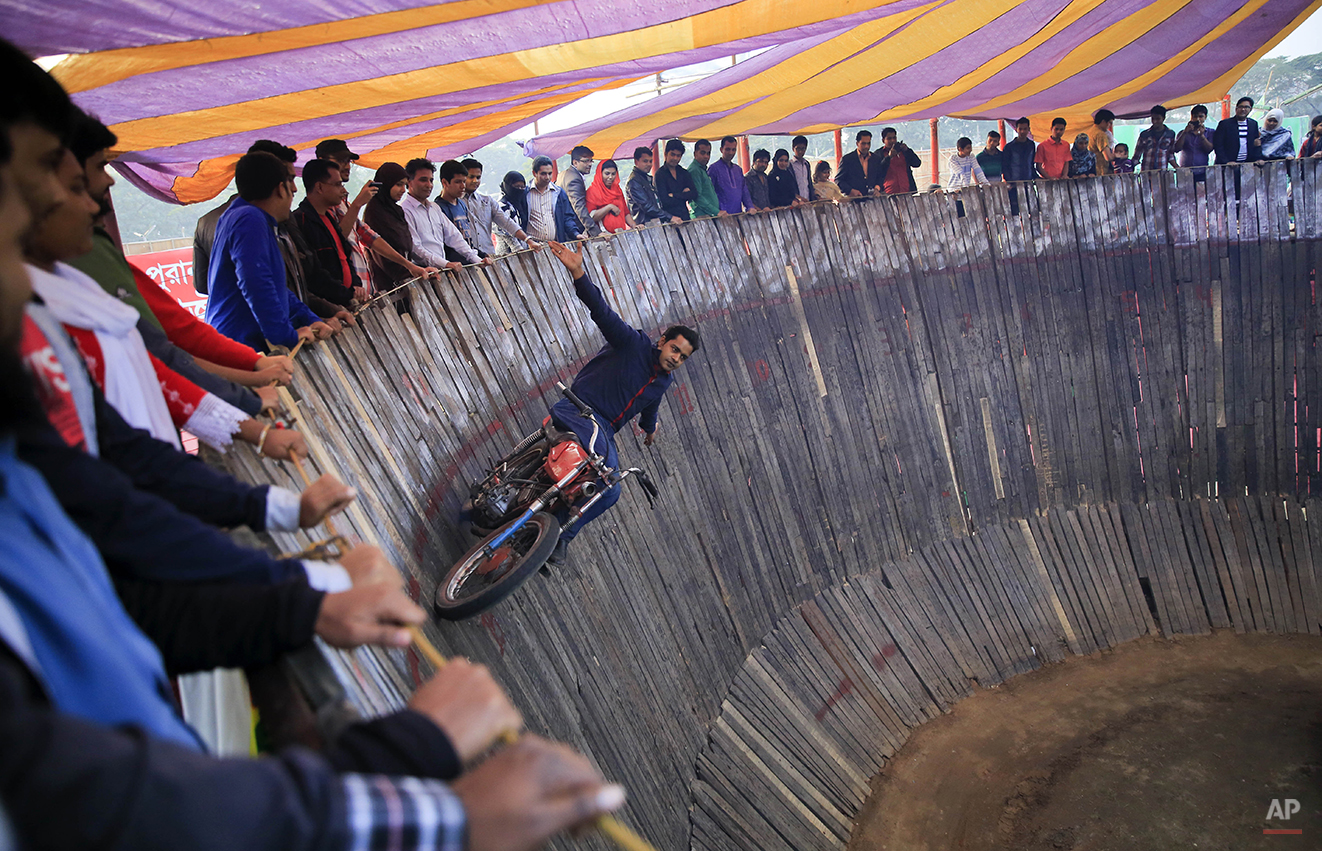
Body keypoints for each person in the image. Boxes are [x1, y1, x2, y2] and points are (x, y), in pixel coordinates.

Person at [542, 239, 699, 567]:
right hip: (580, 408)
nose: (676, 358)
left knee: (610, 491)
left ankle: (555, 537)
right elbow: (601, 311)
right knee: (606, 473)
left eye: (682, 358)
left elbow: (650, 404)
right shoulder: (633, 344)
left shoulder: (663, 381)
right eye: (674, 350)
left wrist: (649, 428)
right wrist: (578, 273)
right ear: (662, 343)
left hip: (600, 431)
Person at [205, 152, 331, 351]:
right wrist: (285, 335)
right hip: (239, 346)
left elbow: (274, 286)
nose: (295, 189)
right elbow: (255, 281)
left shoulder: (244, 216)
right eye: (290, 182)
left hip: (238, 342)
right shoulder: (250, 218)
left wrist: (309, 318)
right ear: (281, 189)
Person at [291, 158, 361, 308]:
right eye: (337, 184)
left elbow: (345, 255)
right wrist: (346, 294)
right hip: (328, 308)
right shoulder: (301, 221)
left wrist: (355, 284)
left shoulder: (329, 217)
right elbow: (314, 274)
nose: (343, 190)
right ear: (319, 187)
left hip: (346, 302)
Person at [401, 158, 477, 271]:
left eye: (431, 180)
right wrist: (445, 264)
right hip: (423, 274)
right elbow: (416, 249)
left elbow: (454, 236)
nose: (429, 185)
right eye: (423, 180)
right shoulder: (405, 211)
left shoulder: (434, 208)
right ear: (409, 182)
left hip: (442, 270)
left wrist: (475, 259)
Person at [362, 161, 426, 293]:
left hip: (408, 277)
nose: (403, 189)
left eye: (405, 184)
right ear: (385, 184)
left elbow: (406, 244)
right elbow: (380, 254)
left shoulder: (396, 210)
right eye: (398, 184)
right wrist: (407, 274)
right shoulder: (374, 212)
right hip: (390, 285)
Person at [462, 159, 531, 256]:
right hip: (467, 260)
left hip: (489, 258)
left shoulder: (487, 201)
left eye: (478, 177)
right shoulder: (454, 203)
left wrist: (528, 240)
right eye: (471, 177)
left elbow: (507, 223)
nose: (475, 181)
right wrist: (518, 248)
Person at [435, 159, 488, 258]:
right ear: (445, 182)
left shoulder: (461, 204)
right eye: (458, 182)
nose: (463, 186)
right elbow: (446, 244)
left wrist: (481, 255)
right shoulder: (438, 208)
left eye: (464, 181)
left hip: (469, 260)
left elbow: (468, 240)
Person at [527, 156, 584, 243]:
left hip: (555, 244)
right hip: (533, 246)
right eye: (543, 174)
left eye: (550, 173)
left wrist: (575, 233)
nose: (547, 177)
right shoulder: (526, 194)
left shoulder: (558, 193)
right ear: (534, 173)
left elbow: (567, 217)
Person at [557, 145, 600, 238]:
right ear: (575, 162)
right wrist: (596, 232)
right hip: (571, 230)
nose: (590, 164)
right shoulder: (574, 179)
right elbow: (579, 207)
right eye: (585, 161)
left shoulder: (565, 174)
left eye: (591, 160)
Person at [626, 146, 675, 226]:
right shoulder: (634, 181)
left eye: (650, 161)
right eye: (645, 161)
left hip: (655, 222)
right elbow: (647, 206)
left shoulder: (647, 178)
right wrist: (669, 217)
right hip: (645, 225)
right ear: (636, 162)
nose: (649, 164)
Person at [708, 136, 754, 214]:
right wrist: (717, 211)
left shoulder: (738, 170)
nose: (731, 153)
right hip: (722, 215)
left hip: (738, 214)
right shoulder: (713, 169)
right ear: (721, 149)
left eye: (733, 149)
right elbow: (709, 193)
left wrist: (750, 207)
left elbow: (744, 191)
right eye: (727, 149)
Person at [655, 139, 696, 222]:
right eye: (672, 155)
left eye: (678, 156)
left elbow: (694, 194)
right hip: (669, 219)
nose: (675, 158)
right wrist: (684, 194)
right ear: (666, 154)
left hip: (685, 217)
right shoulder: (660, 174)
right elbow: (664, 201)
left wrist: (674, 195)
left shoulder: (684, 172)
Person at [586, 160, 631, 233]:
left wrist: (634, 226)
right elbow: (590, 217)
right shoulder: (592, 191)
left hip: (621, 234)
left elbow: (626, 212)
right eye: (607, 173)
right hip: (603, 237)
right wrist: (609, 207)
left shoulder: (617, 190)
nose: (610, 177)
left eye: (613, 174)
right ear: (600, 173)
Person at [1214, 97, 1262, 165]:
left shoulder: (1253, 124)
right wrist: (1226, 161)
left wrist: (1258, 159)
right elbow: (1218, 145)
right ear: (1236, 108)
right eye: (1241, 107)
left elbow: (1256, 143)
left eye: (1246, 107)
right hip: (1227, 165)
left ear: (1250, 109)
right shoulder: (1225, 124)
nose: (1243, 109)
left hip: (1246, 165)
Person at [1174, 105, 1216, 180]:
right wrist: (1185, 133)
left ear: (1205, 117)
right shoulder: (1182, 133)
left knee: (1202, 191)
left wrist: (1201, 136)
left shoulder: (1210, 132)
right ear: (1191, 117)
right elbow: (1176, 149)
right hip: (1185, 172)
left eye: (1200, 116)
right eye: (1195, 116)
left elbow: (1209, 149)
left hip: (1202, 171)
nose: (1197, 119)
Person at [836, 130, 882, 197]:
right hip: (854, 200)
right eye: (863, 144)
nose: (866, 146)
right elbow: (838, 180)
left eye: (868, 143)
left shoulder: (875, 159)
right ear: (857, 143)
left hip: (872, 199)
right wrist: (850, 191)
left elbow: (880, 177)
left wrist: (877, 188)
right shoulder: (847, 159)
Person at [877, 127, 921, 195]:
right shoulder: (878, 154)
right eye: (889, 138)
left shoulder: (904, 151)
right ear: (883, 140)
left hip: (907, 191)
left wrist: (907, 151)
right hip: (888, 192)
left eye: (894, 138)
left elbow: (917, 163)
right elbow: (878, 171)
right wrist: (889, 157)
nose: (892, 141)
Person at [1132, 105, 1176, 172]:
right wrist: (1129, 169)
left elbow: (1170, 155)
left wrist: (1177, 168)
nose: (1155, 121)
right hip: (1146, 172)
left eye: (1158, 119)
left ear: (1163, 118)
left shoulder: (1170, 134)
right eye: (1153, 119)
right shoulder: (1144, 135)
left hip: (1162, 172)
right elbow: (1137, 155)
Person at [496, 170, 531, 253]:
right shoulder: (502, 206)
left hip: (522, 251)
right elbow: (505, 231)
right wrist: (518, 249)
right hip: (507, 254)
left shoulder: (518, 205)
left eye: (522, 187)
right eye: (516, 186)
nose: (519, 190)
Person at [686, 139, 721, 218]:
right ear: (695, 154)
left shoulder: (702, 169)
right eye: (702, 153)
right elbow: (697, 197)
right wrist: (716, 211)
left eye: (708, 153)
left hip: (708, 215)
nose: (706, 156)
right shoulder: (694, 170)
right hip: (701, 216)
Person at [1003, 117, 1037, 182]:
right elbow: (1005, 167)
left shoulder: (1031, 145)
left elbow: (1031, 164)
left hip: (1028, 182)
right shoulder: (1009, 147)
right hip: (1014, 183)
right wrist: (1009, 181)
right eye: (1020, 129)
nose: (1022, 131)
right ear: (1016, 130)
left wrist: (1035, 177)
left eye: (1025, 129)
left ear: (1028, 129)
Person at [789, 135, 816, 203]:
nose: (801, 151)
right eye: (798, 149)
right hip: (796, 202)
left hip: (808, 201)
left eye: (803, 148)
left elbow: (809, 182)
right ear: (793, 148)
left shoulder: (806, 164)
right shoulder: (790, 165)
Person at [1089, 109, 1116, 176]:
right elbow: (1108, 157)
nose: (1110, 125)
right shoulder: (1101, 134)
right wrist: (1119, 156)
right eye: (1110, 122)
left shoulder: (1090, 131)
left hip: (1091, 170)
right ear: (1103, 121)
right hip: (1101, 171)